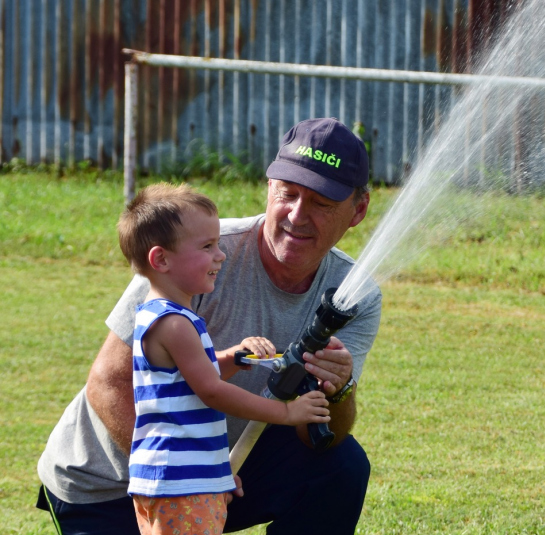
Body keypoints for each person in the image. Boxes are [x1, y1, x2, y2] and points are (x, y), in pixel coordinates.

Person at [37, 117, 382, 535]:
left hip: (214, 473)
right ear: (269, 187)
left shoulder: (353, 295)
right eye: (288, 194)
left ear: (357, 210)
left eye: (321, 204)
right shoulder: (196, 255)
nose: (297, 215)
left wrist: (340, 389)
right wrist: (192, 479)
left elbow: (320, 438)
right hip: (111, 482)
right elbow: (109, 383)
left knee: (340, 466)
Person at [117, 183, 331, 534]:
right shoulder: (175, 323)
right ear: (161, 259)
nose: (221, 255)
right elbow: (211, 390)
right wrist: (287, 412)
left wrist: (237, 356)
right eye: (207, 246)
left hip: (179, 479)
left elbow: (191, 376)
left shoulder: (162, 316)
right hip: (181, 484)